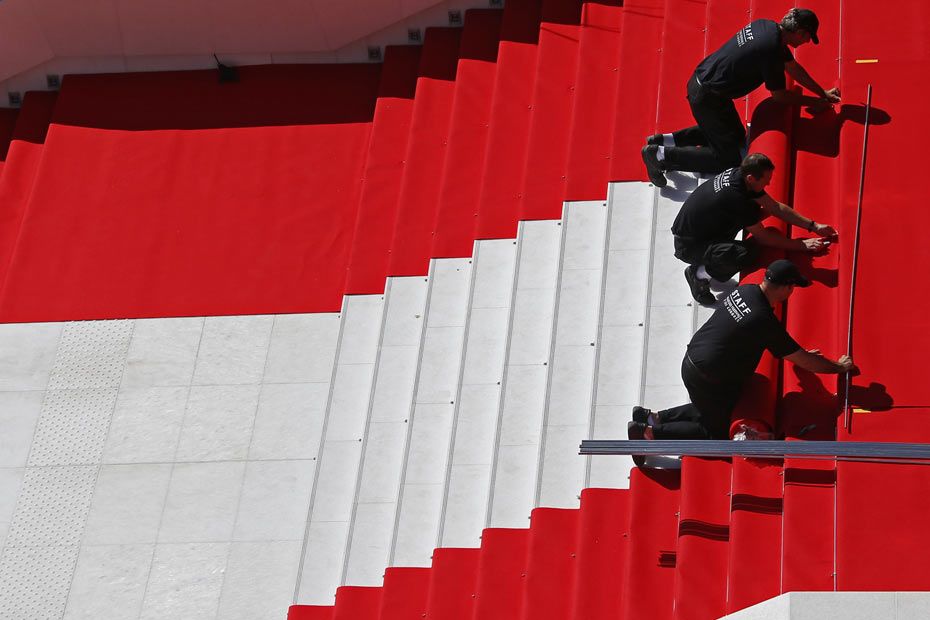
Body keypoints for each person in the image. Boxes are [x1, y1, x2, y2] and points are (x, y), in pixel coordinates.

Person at [627, 259, 857, 450]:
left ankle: (653, 417)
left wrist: (800, 354)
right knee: (717, 430)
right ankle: (649, 434)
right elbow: (804, 361)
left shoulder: (746, 291)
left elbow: (791, 352)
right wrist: (839, 367)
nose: (792, 291)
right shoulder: (762, 319)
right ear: (786, 287)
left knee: (713, 406)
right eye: (792, 287)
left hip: (695, 360)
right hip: (707, 376)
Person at [641, 8, 840, 187]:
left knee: (735, 136)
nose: (807, 42)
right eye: (808, 37)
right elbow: (779, 96)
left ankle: (664, 140)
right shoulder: (770, 49)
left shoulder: (767, 28)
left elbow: (793, 68)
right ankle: (659, 155)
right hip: (708, 97)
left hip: (709, 87)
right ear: (800, 32)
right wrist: (814, 102)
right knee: (727, 159)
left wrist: (821, 93)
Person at [673, 152, 836, 306]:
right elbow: (764, 237)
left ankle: (708, 262)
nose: (769, 184)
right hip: (690, 246)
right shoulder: (736, 198)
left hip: (703, 230)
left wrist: (813, 225)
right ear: (751, 178)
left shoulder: (740, 176)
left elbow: (774, 207)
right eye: (766, 180)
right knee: (744, 254)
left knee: (755, 214)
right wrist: (802, 245)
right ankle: (699, 275)